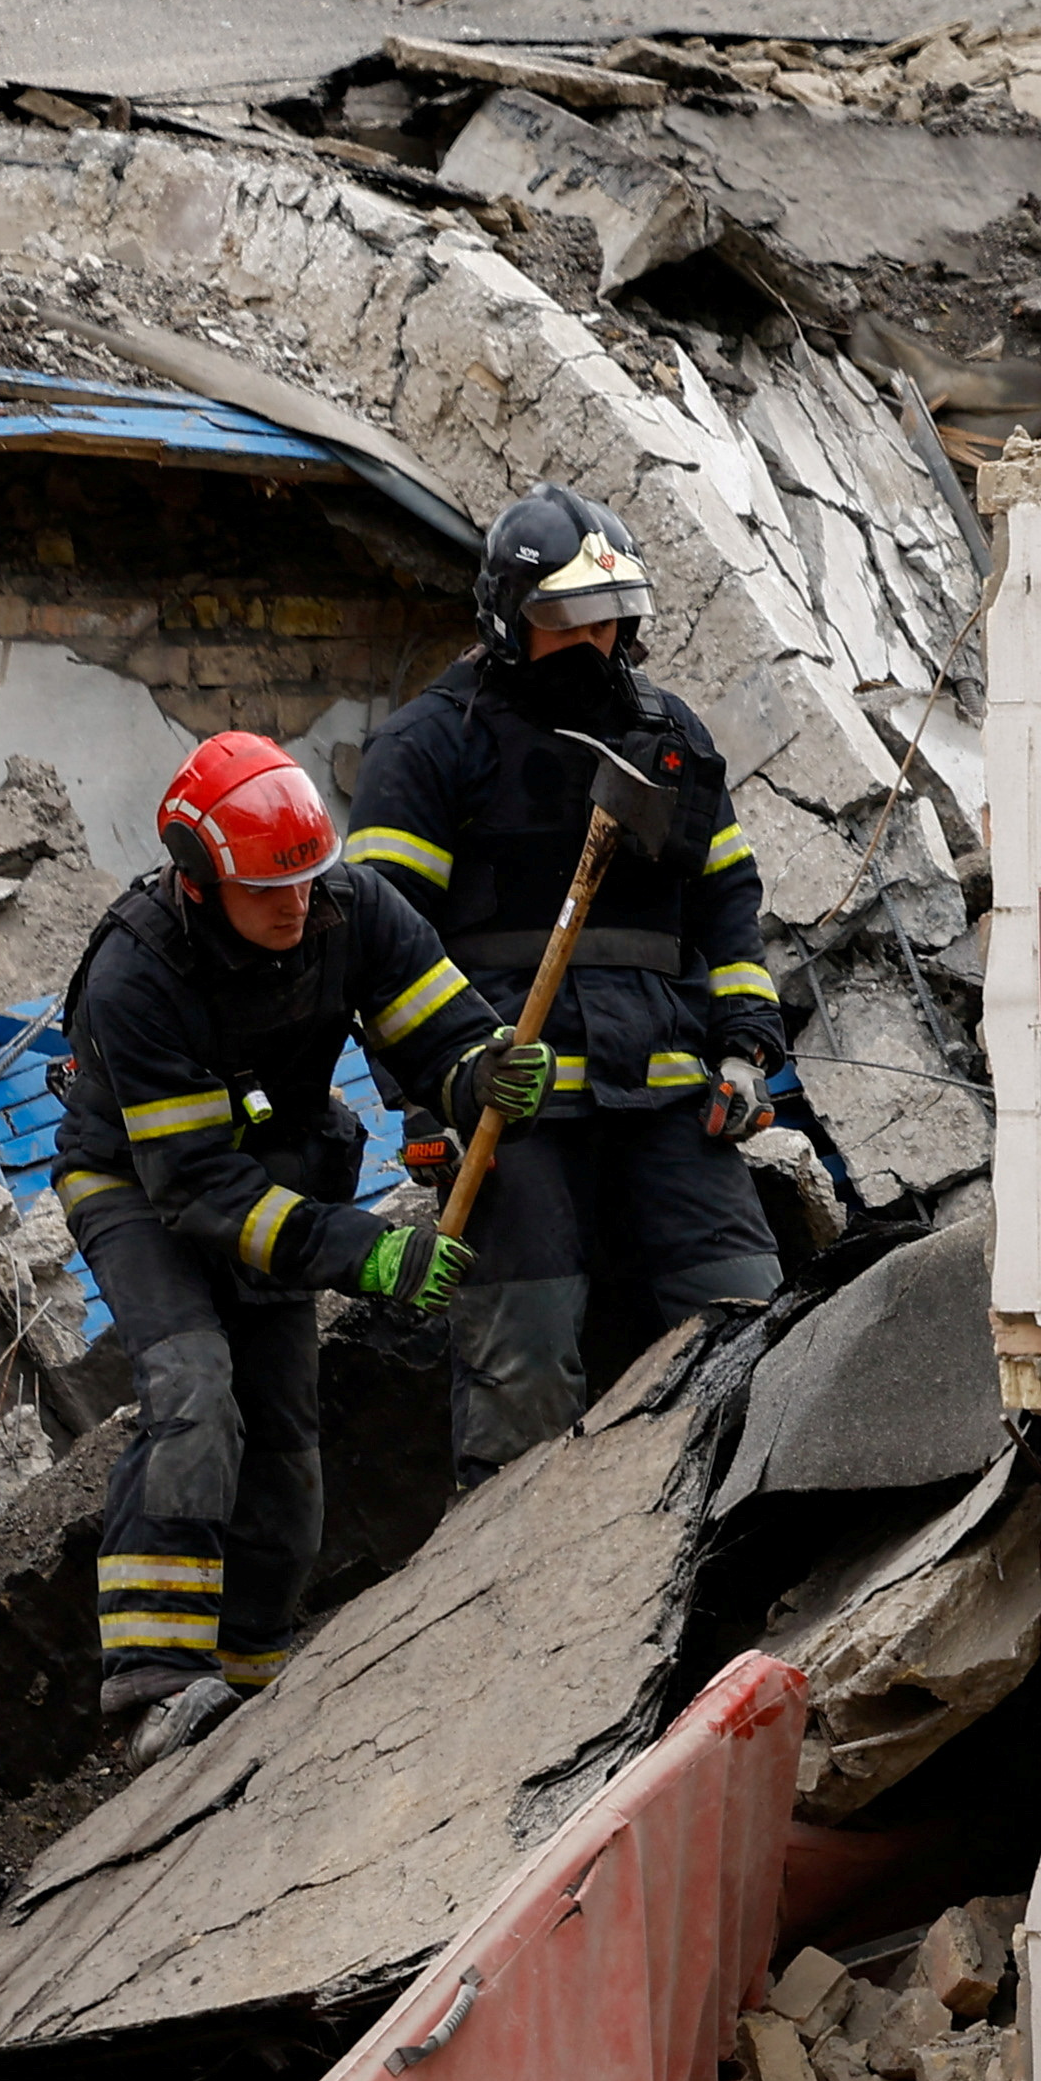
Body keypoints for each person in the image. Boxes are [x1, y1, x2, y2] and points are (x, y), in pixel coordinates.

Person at [57, 731, 526, 1719]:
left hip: (272, 1173)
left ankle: (249, 1671)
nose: (296, 905)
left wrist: (482, 1070)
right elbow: (195, 1189)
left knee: (283, 1446)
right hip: (138, 1190)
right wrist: (369, 1252)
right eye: (270, 889)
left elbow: (441, 1028)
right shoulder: (134, 976)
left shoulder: (348, 908)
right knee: (193, 1389)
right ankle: (151, 1682)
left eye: (308, 880)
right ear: (196, 880)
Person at [343, 486, 790, 1481]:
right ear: (509, 619)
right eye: (565, 620)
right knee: (527, 1371)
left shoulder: (670, 737)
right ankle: (516, 1604)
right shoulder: (427, 745)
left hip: (672, 1094)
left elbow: (727, 909)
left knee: (748, 1320)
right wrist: (427, 1096)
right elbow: (375, 942)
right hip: (514, 1102)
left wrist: (744, 1049)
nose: (593, 640)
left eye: (609, 616)